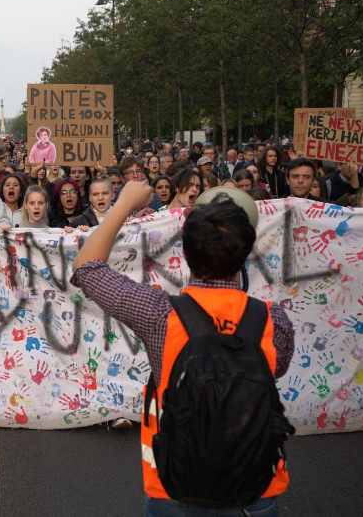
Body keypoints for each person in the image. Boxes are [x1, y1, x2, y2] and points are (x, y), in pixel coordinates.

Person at [71, 181, 294, 516]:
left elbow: (87, 268)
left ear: (186, 254)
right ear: (246, 253)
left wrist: (122, 205)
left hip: (174, 485)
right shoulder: (274, 320)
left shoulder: (160, 315)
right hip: (256, 483)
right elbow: (274, 370)